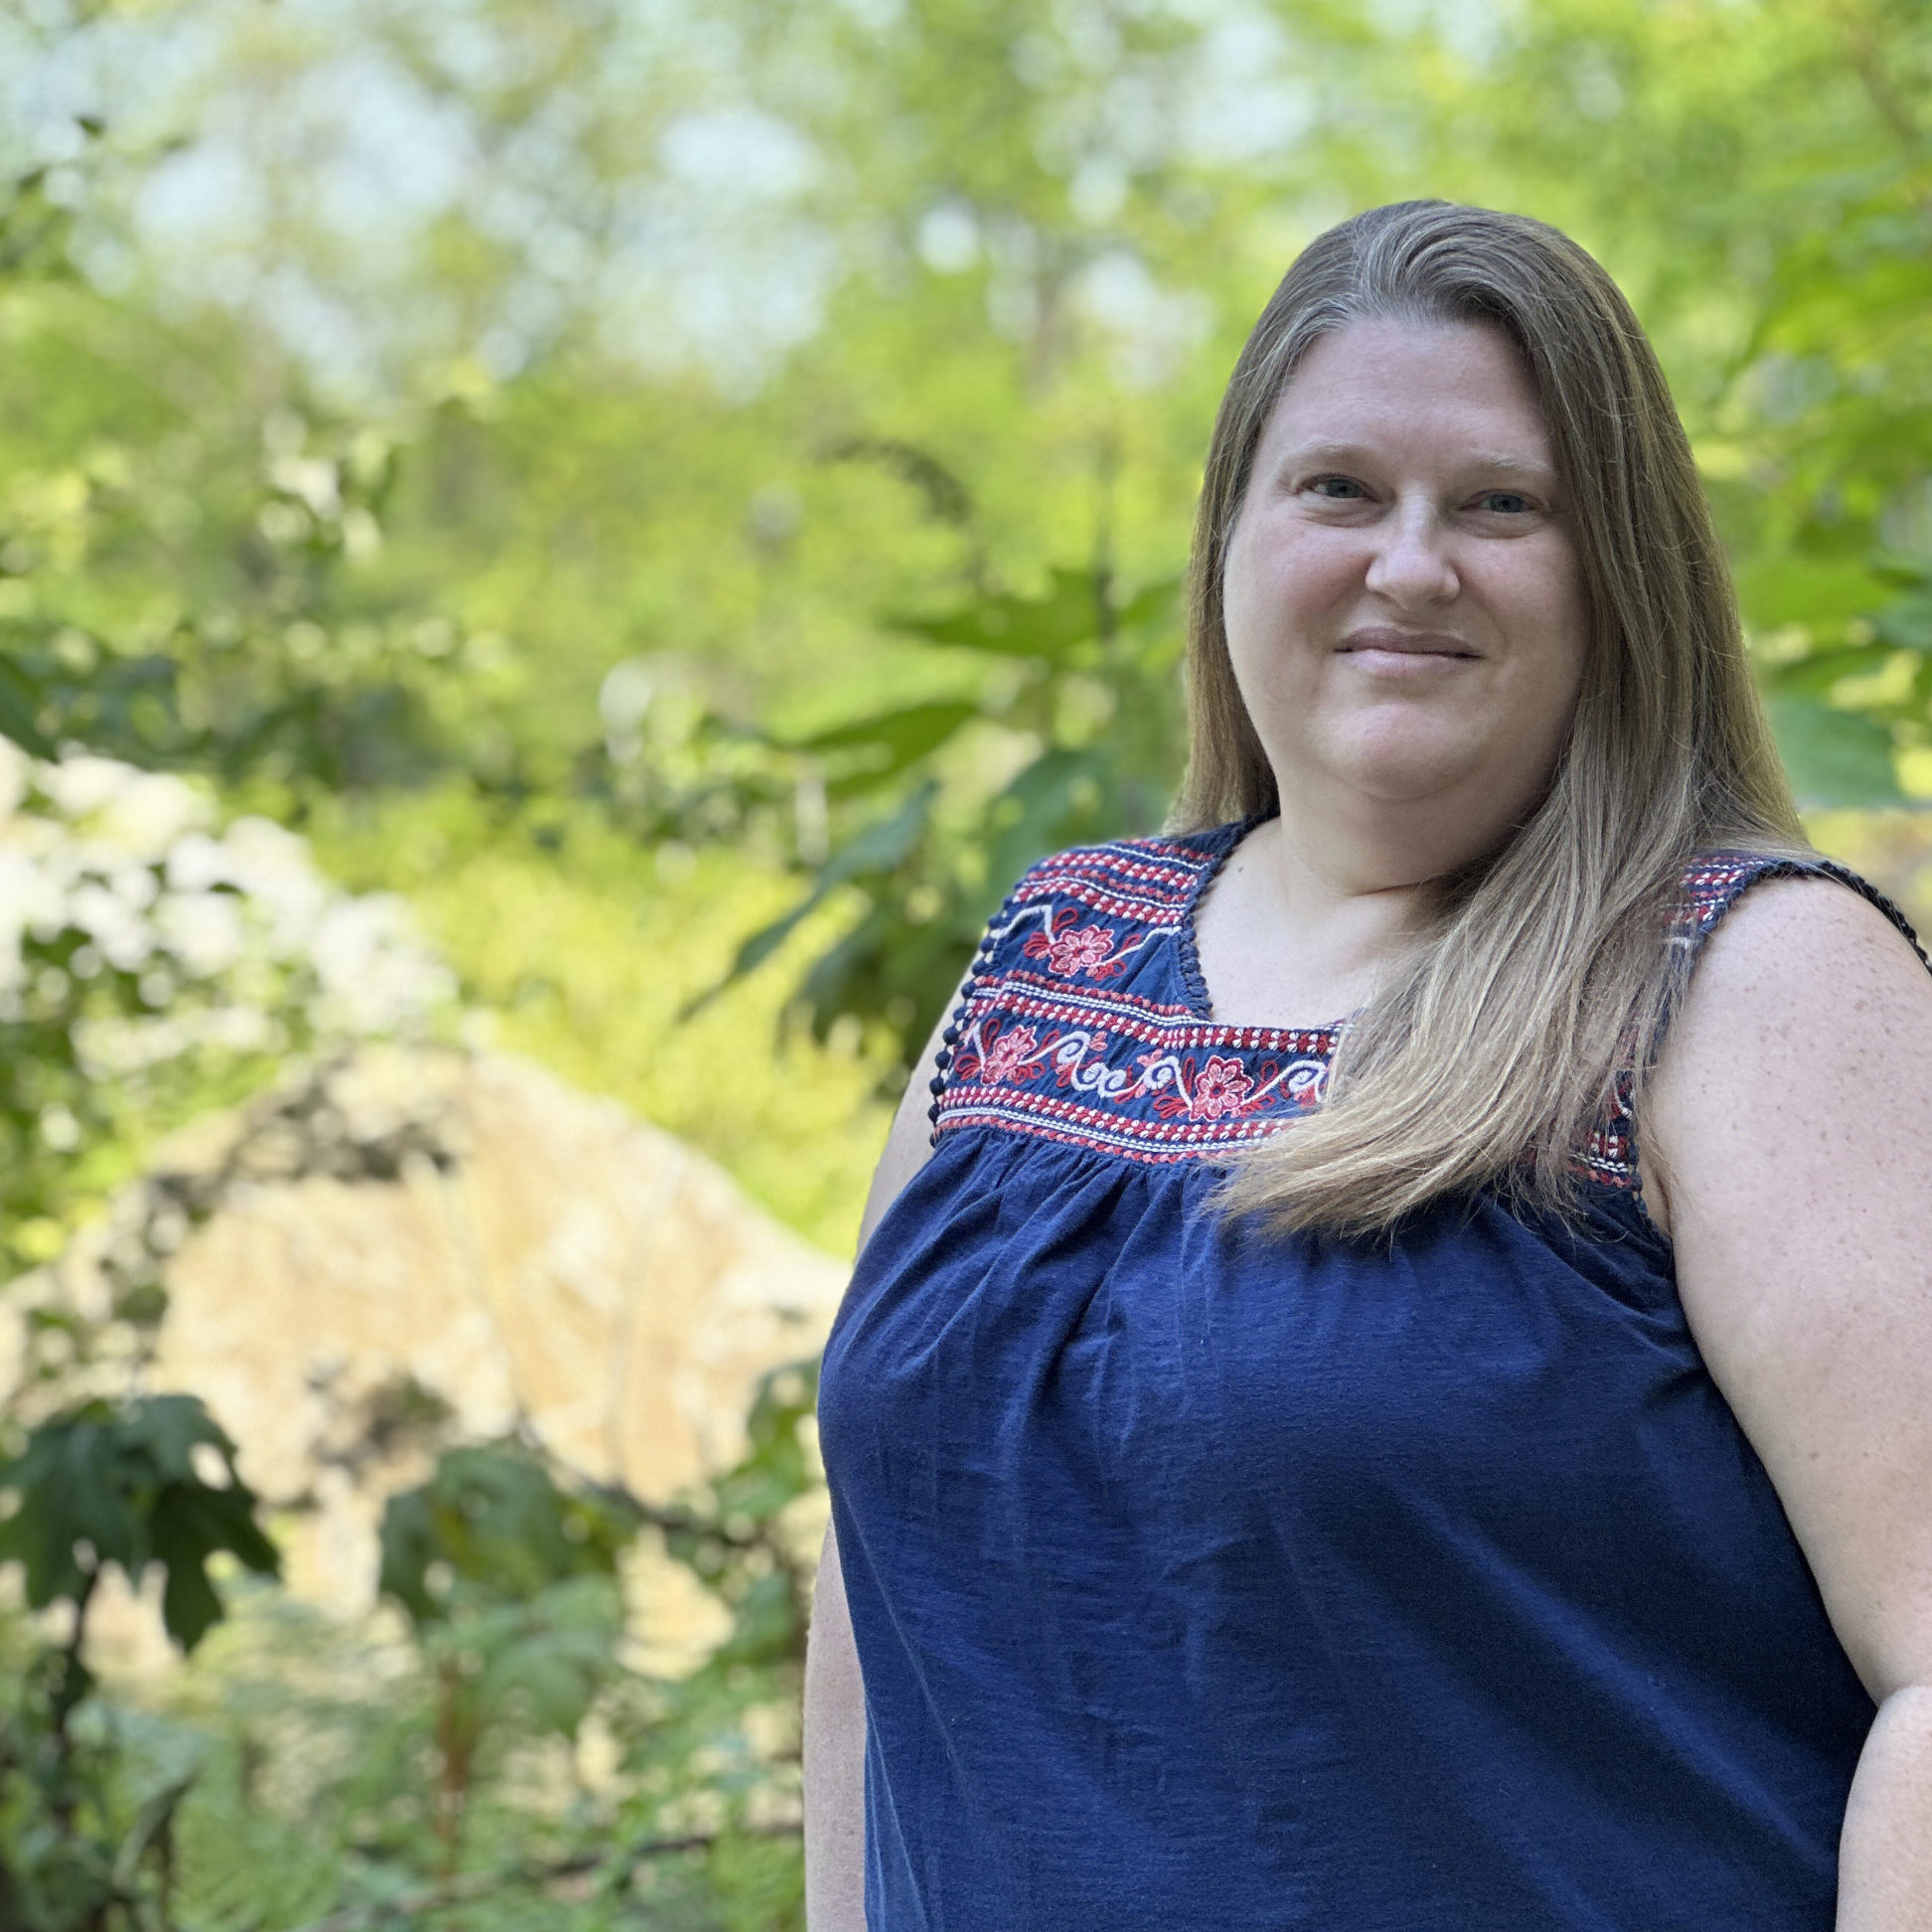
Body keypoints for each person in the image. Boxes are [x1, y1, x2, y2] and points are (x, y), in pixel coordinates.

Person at [802, 201, 1932, 1930]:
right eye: (1339, 490)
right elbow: (878, 1600)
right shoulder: (1050, 948)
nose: (1412, 565)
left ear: (1622, 573)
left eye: (1502, 505)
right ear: (1231, 539)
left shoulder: (1754, 981)